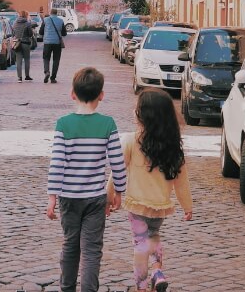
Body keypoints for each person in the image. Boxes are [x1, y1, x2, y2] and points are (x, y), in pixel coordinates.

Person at [47, 67, 127, 292]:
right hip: (95, 198)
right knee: (92, 250)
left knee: (70, 245)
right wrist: (118, 191)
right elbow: (117, 163)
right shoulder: (108, 124)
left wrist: (52, 197)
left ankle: (67, 288)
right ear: (101, 95)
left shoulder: (63, 124)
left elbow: (57, 163)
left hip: (69, 198)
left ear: (72, 94)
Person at [108, 88, 193, 292]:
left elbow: (117, 172)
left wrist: (109, 196)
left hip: (137, 206)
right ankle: (157, 271)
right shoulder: (173, 146)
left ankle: (142, 285)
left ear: (142, 115)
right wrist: (187, 206)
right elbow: (182, 181)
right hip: (160, 206)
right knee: (153, 236)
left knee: (140, 243)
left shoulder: (131, 141)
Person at [40, 8, 67, 83]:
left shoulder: (45, 20)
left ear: (50, 13)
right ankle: (53, 78)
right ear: (57, 13)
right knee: (56, 60)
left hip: (47, 43)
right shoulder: (61, 21)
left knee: (46, 58)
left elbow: (41, 32)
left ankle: (47, 72)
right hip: (57, 43)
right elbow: (64, 33)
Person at [11, 11, 35, 82]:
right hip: (25, 43)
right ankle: (27, 76)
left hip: (17, 43)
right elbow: (30, 34)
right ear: (26, 15)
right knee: (27, 60)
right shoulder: (27, 23)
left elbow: (13, 33)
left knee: (18, 61)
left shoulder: (15, 23)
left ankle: (19, 77)